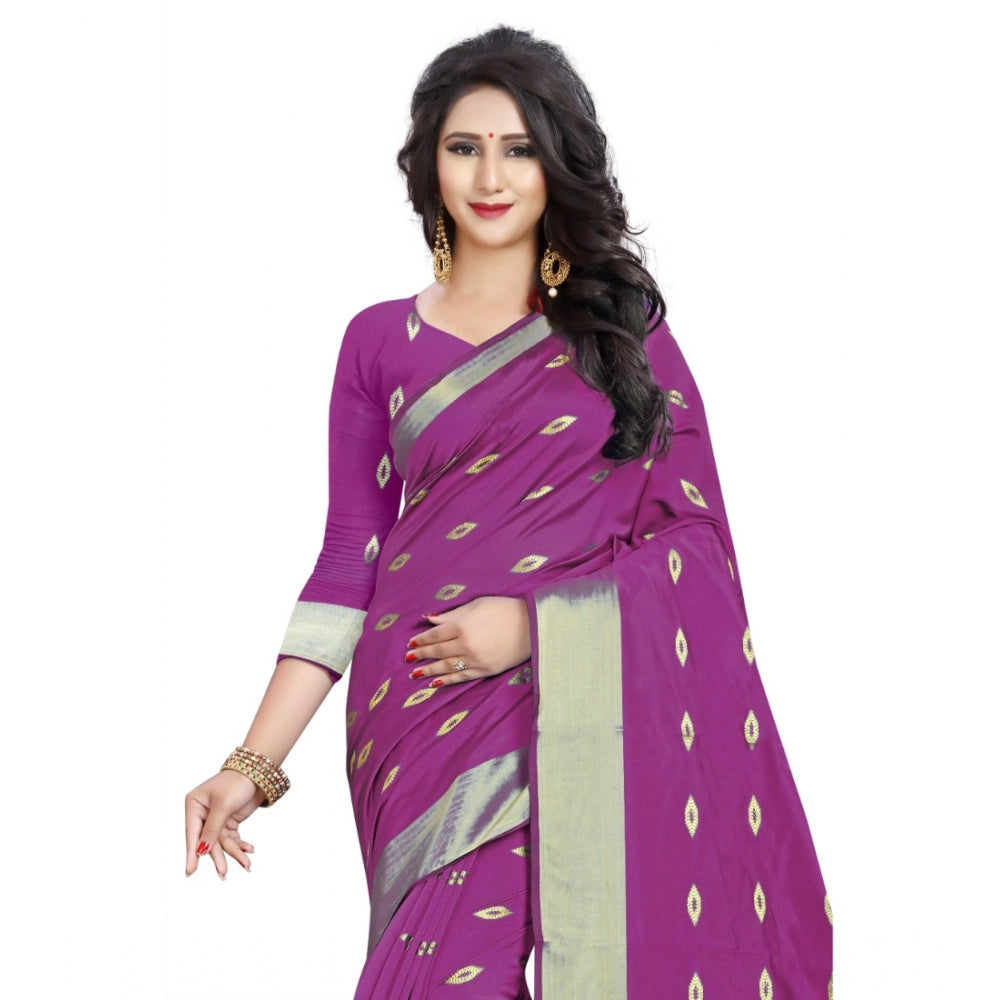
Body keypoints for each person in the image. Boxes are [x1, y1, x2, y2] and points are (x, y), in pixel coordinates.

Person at [184, 25, 832, 1000]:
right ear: (428, 166)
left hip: (573, 697)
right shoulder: (377, 341)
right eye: (464, 147)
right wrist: (251, 763)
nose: (490, 177)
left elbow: (692, 541)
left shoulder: (624, 336)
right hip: (417, 708)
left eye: (518, 148)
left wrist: (538, 626)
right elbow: (348, 558)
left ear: (556, 162)